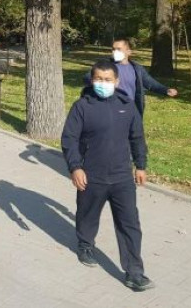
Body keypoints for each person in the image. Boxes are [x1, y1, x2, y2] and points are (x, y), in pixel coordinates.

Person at [62, 59, 153, 291]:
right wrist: (75, 167)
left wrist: (141, 165)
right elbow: (69, 139)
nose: (103, 83)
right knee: (87, 215)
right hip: (91, 175)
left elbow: (137, 137)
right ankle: (85, 244)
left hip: (122, 176)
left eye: (108, 80)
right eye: (99, 79)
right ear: (92, 80)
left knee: (130, 224)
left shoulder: (127, 105)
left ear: (117, 81)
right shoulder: (82, 106)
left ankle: (134, 273)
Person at [102, 39, 178, 116]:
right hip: (111, 109)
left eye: (118, 49)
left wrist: (165, 90)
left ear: (129, 52)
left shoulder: (137, 69)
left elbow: (149, 83)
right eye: (113, 49)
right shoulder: (105, 67)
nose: (115, 52)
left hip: (131, 109)